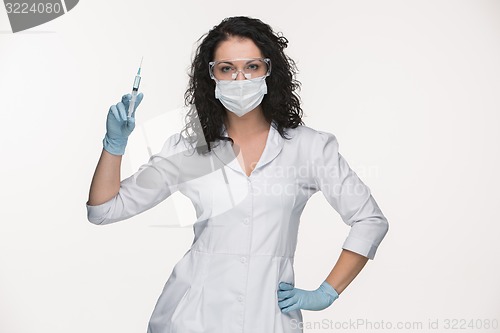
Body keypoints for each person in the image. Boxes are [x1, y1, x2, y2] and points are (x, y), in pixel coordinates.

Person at [87, 16, 389, 333]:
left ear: (270, 71)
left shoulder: (308, 148)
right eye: (227, 68)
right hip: (191, 317)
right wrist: (115, 144)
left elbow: (369, 220)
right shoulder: (190, 150)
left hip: (269, 319)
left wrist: (327, 292)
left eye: (252, 67)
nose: (240, 78)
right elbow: (104, 209)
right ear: (211, 76)